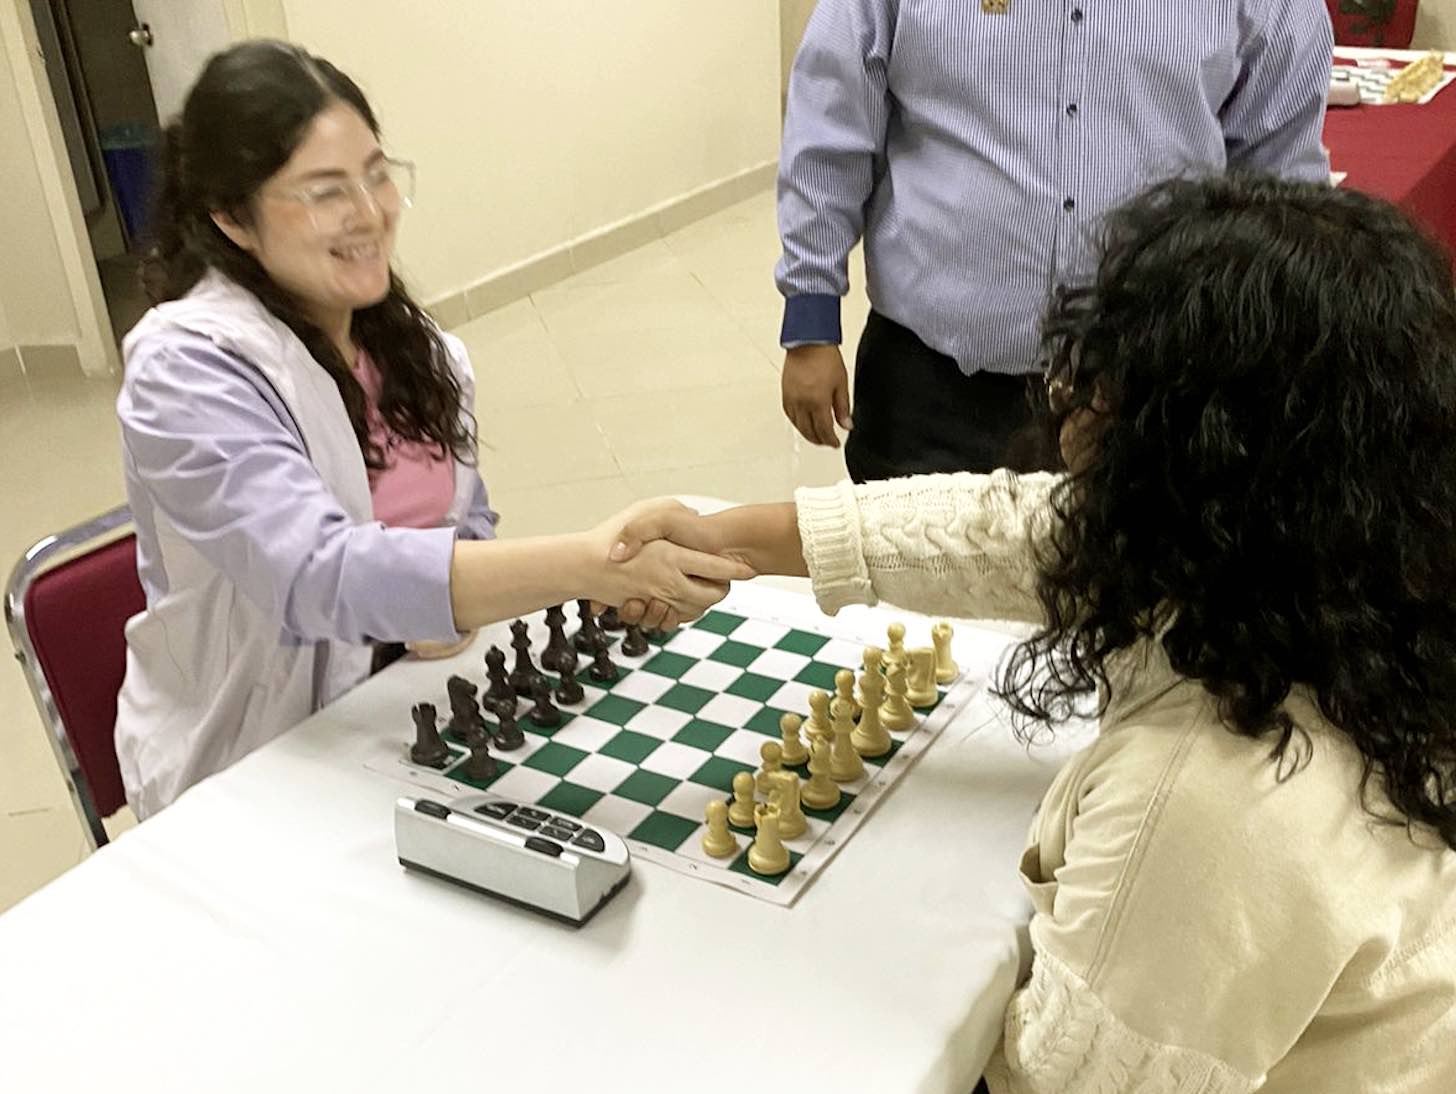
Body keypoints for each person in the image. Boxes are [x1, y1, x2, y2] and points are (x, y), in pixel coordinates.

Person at [617, 176, 1456, 1091]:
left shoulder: (1207, 803)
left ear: (1207, 456)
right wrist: (726, 538)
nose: (1064, 391)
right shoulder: (1339, 565)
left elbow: (1062, 1078)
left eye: (1108, 380)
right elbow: (1002, 531)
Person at [115, 41, 748, 819]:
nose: (369, 212)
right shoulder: (184, 369)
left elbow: (463, 515)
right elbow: (318, 576)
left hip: (398, 714)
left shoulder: (407, 345)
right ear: (231, 217)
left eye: (377, 174)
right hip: (253, 759)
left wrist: (451, 605)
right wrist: (591, 566)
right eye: (325, 192)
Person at [775, 0, 1334, 480]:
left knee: (1136, 575)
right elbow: (830, 125)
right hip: (932, 392)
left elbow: (1280, 182)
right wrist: (810, 322)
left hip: (1155, 392)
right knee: (912, 573)